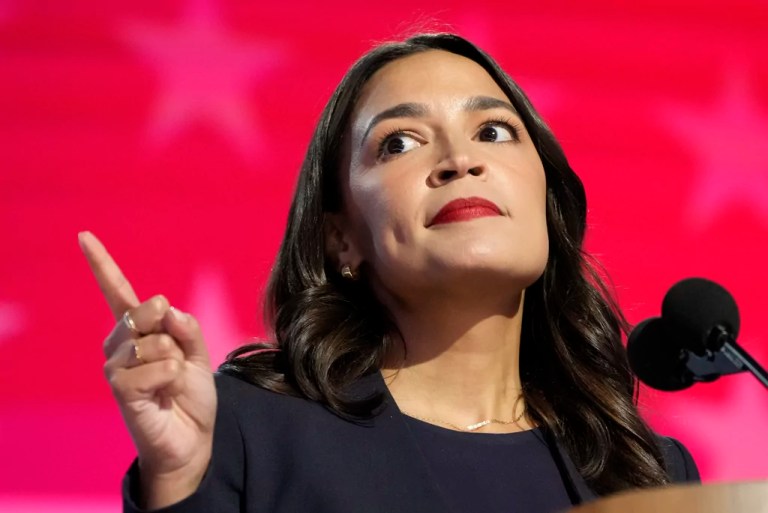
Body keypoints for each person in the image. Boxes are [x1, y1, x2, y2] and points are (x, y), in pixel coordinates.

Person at [79, 33, 699, 513]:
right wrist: (182, 484)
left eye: (493, 131)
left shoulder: (648, 472)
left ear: (547, 204)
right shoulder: (251, 428)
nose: (460, 160)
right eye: (399, 143)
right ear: (342, 238)